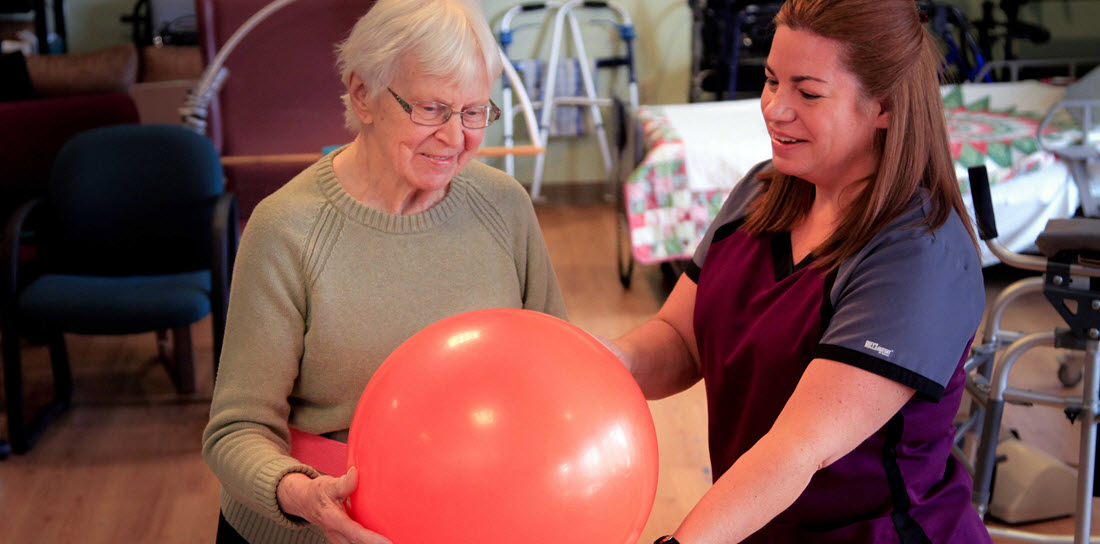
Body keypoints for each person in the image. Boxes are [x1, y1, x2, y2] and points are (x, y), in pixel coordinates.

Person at [611, 0, 991, 542]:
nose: (773, 108)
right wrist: (596, 366)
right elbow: (680, 338)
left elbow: (799, 448)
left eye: (808, 93)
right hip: (755, 524)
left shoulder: (918, 253)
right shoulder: (761, 191)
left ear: (883, 105)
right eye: (770, 81)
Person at [201, 1, 567, 543]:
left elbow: (557, 374)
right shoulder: (286, 229)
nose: (455, 137)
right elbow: (235, 431)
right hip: (310, 530)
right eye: (431, 109)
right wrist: (304, 497)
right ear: (363, 95)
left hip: (467, 520)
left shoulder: (504, 206)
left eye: (474, 112)